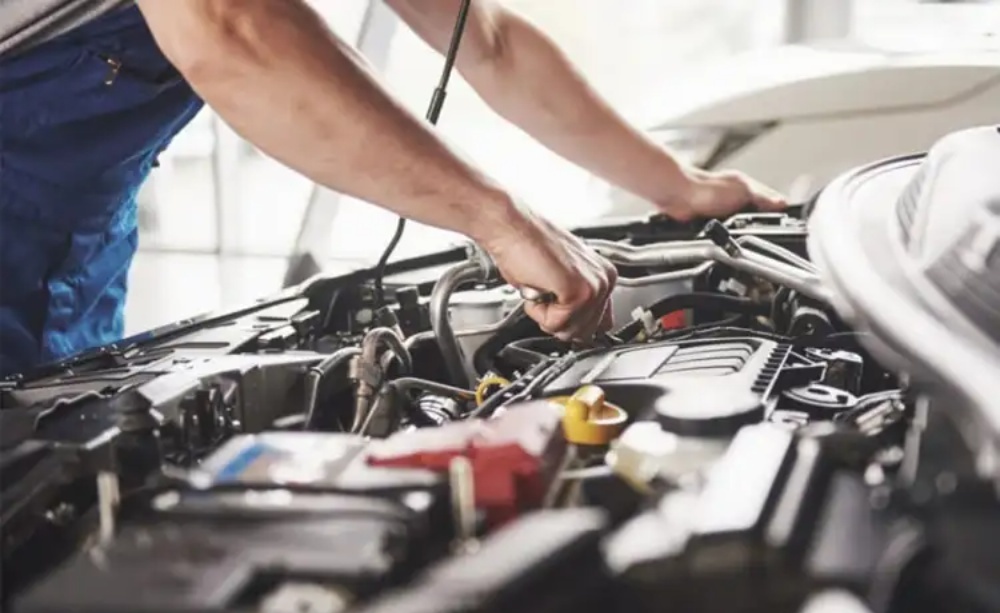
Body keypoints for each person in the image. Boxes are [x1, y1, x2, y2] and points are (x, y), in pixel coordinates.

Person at [0, 0, 786, 378]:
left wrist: (680, 187)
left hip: (74, 243)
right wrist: (500, 221)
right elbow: (230, 27)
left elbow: (488, 42)